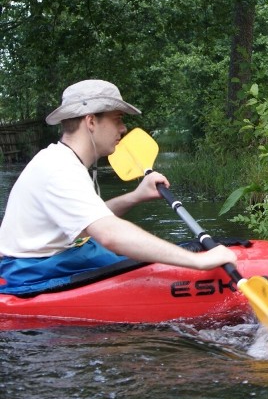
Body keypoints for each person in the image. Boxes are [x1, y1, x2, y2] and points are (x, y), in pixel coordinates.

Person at [0, 79, 237, 296]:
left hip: (52, 259)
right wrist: (198, 262)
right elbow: (110, 234)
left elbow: (89, 219)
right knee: (140, 257)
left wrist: (135, 196)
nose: (123, 129)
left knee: (137, 255)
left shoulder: (60, 159)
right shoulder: (59, 168)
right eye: (117, 119)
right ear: (91, 121)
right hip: (32, 273)